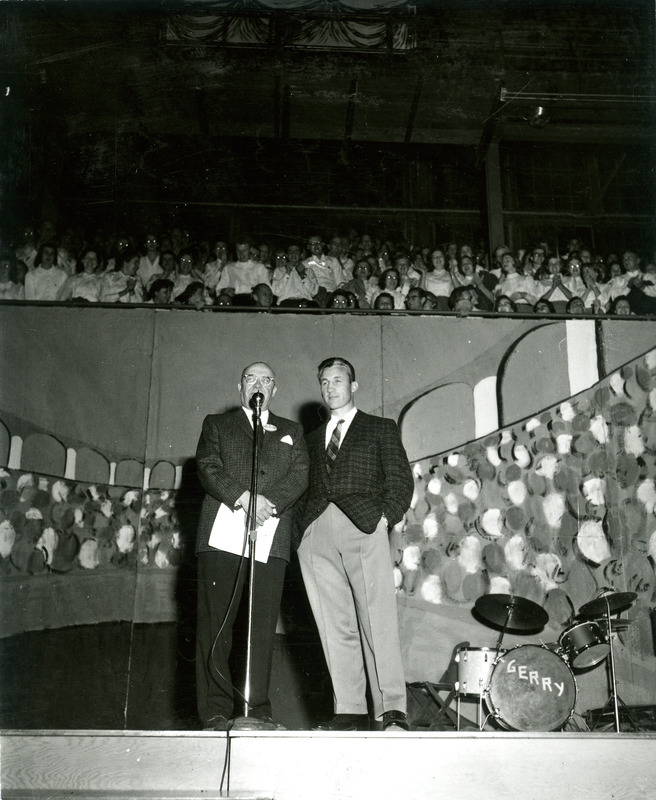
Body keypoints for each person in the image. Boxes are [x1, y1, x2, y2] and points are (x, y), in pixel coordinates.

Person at [298, 357, 414, 732]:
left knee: (376, 619)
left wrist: (384, 518)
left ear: (354, 385)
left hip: (363, 525)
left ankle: (390, 709)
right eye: (324, 382)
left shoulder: (379, 427)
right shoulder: (311, 438)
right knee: (333, 624)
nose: (331, 387)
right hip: (317, 530)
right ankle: (348, 708)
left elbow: (400, 480)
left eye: (338, 380)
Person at [195, 362, 309, 731]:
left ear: (274, 390)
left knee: (260, 627)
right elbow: (208, 466)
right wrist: (244, 497)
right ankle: (214, 710)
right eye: (250, 378)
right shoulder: (217, 424)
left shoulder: (292, 430)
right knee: (216, 625)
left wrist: (267, 503)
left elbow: (301, 474)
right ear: (239, 386)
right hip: (221, 535)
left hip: (271, 535)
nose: (257, 384)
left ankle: (255, 709)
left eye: (265, 379)